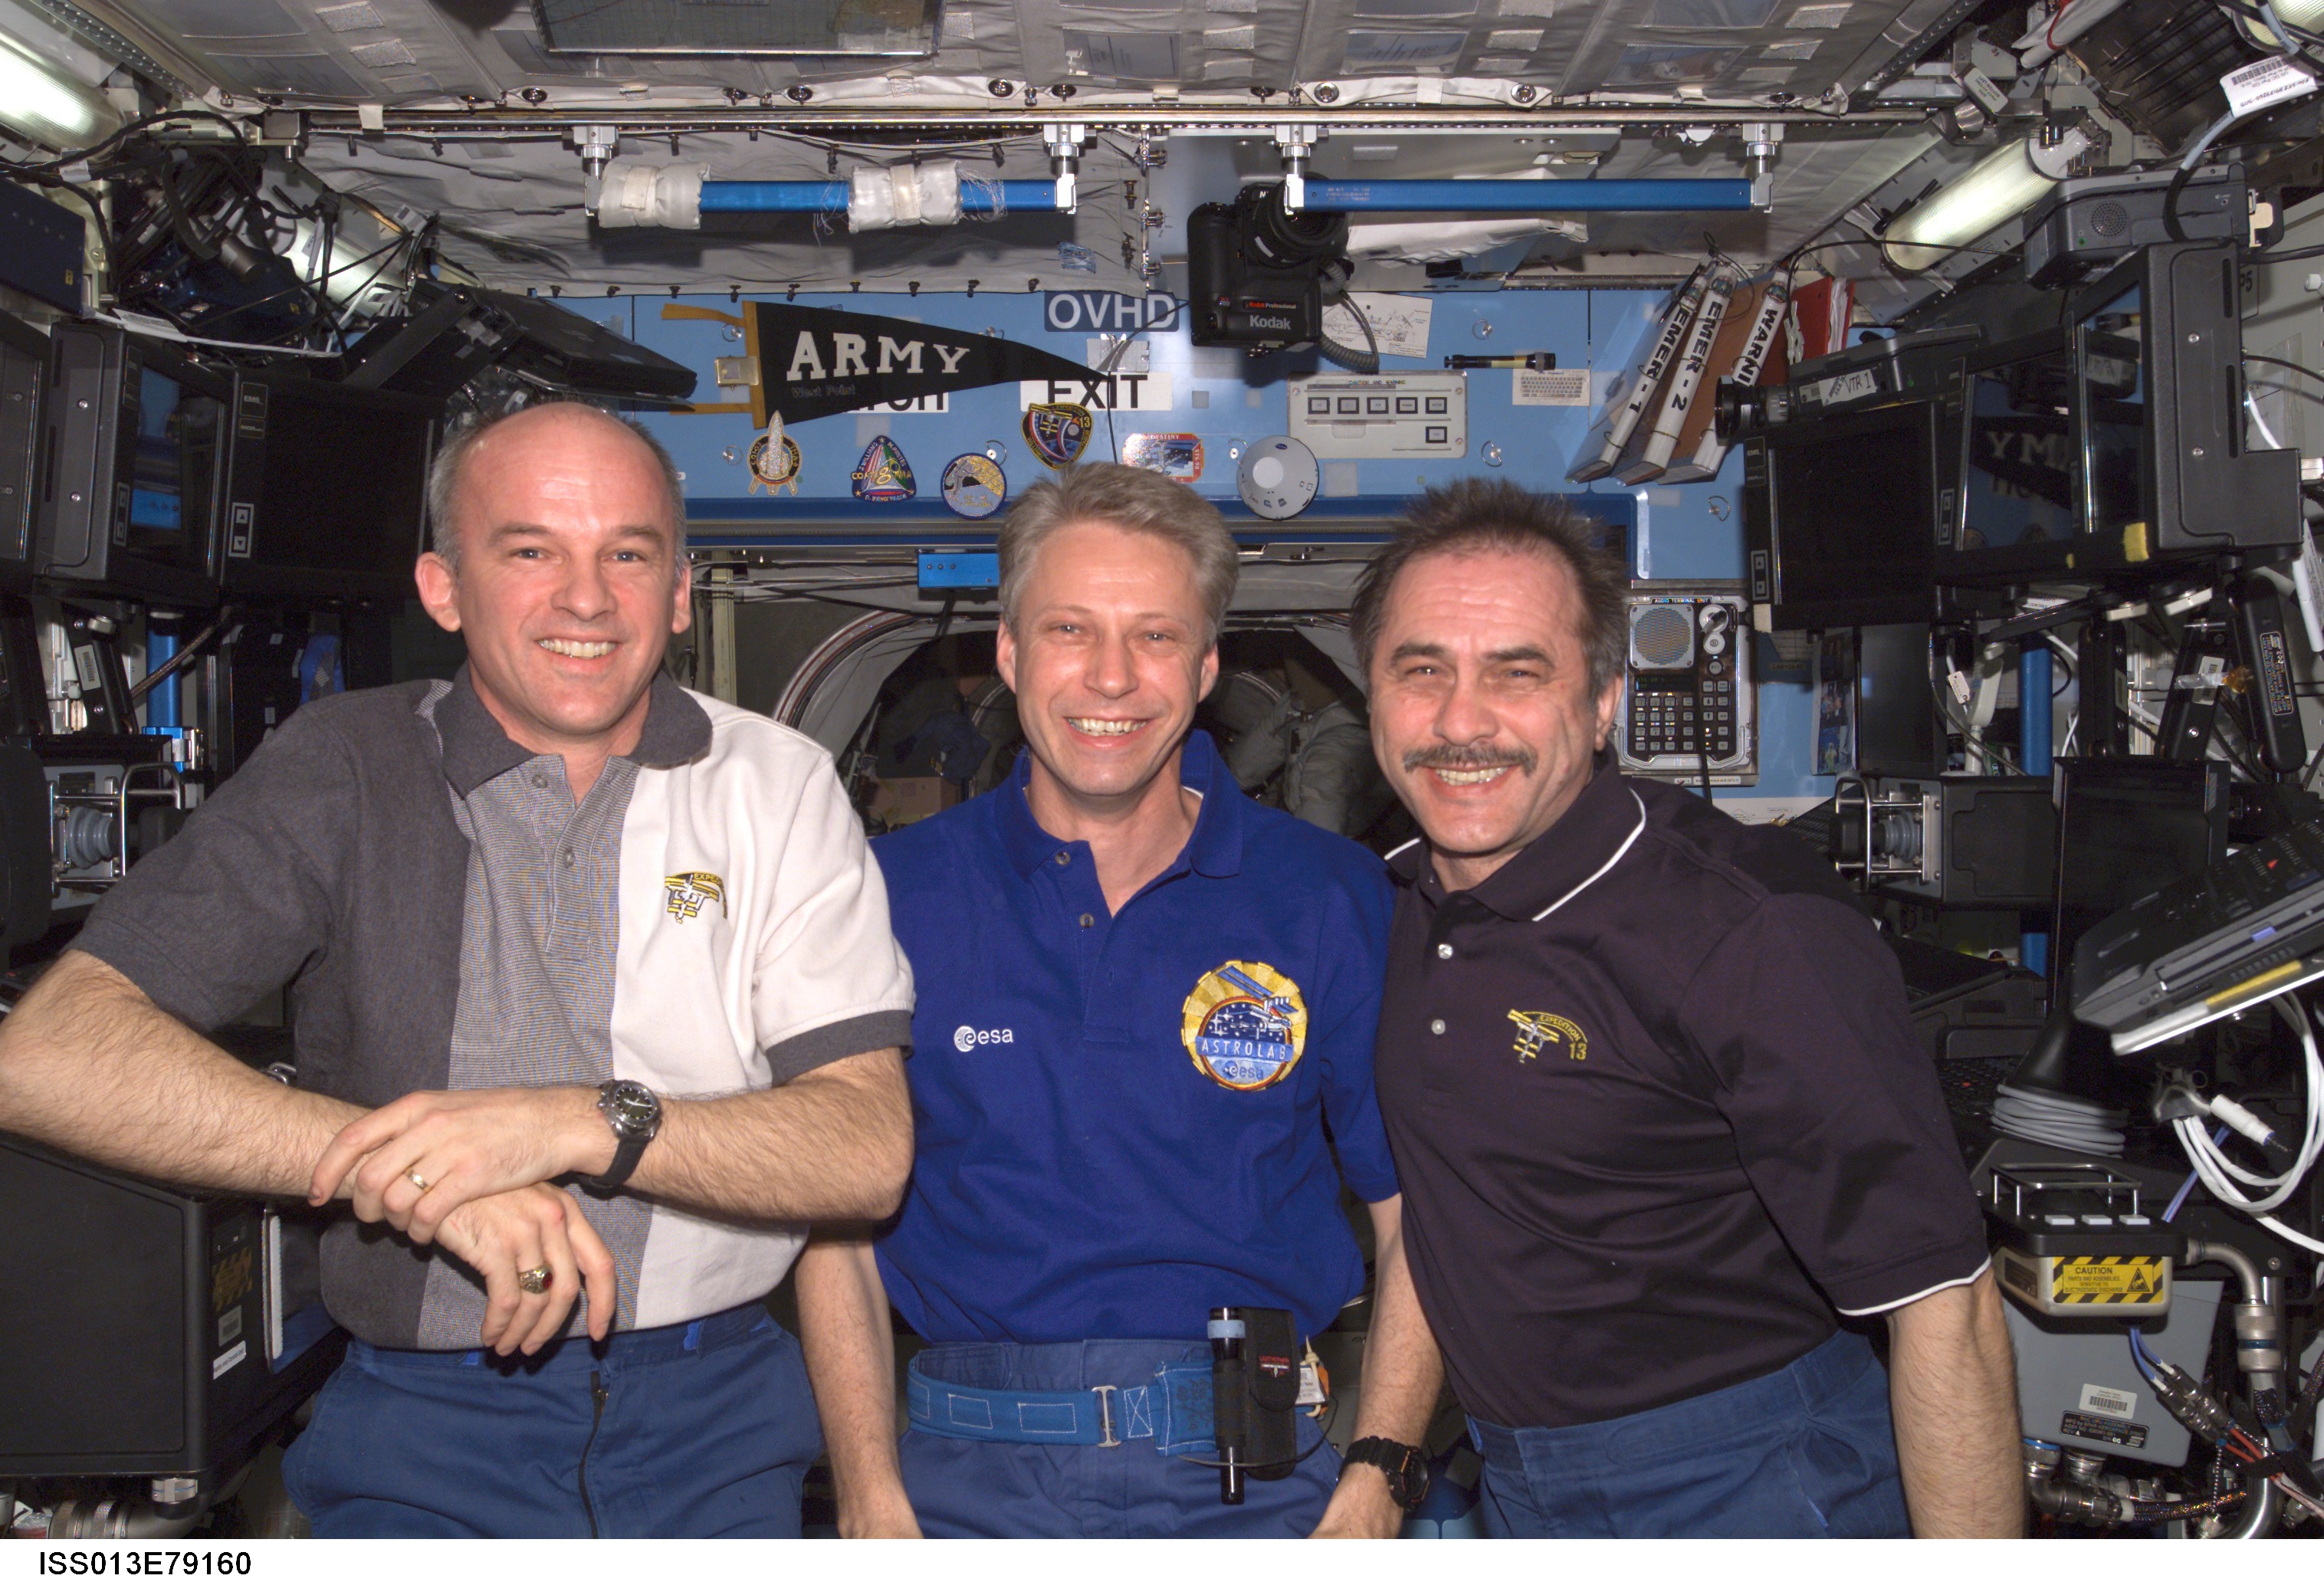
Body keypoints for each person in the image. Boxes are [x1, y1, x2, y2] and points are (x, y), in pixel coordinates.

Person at [0, 402, 916, 1538]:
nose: (587, 598)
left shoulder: (777, 783)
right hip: (429, 1425)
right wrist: (432, 1185)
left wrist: (577, 1121)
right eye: (530, 551)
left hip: (719, 1416)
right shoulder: (345, 767)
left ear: (679, 592)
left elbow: (865, 1153)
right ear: (443, 589)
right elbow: (46, 1055)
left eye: (627, 554)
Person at [1351, 479, 2023, 1539]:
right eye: (1421, 671)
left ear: (1604, 697)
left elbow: (1947, 1303)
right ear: (1371, 692)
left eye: (1517, 673)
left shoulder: (1748, 932)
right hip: (1509, 1484)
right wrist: (1383, 1464)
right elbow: (1444, 1221)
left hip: (1753, 1483)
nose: (1460, 722)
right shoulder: (1383, 905)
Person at [796, 464, 1438, 1538]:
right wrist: (868, 1495)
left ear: (1205, 668)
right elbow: (832, 1231)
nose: (1110, 679)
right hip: (960, 1490)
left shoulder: (1327, 896)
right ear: (1008, 654)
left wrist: (1374, 1482)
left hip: (1261, 1487)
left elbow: (1417, 1214)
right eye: (1068, 632)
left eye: (1153, 637)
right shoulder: (889, 896)